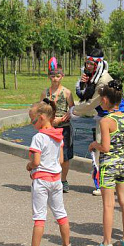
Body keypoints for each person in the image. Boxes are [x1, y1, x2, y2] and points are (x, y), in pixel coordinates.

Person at [18, 99, 74, 246]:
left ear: (42, 118)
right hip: (56, 180)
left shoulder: (38, 137)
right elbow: (61, 159)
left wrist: (29, 166)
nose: (31, 123)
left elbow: (36, 161)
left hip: (41, 181)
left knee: (39, 216)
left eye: (33, 119)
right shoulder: (59, 135)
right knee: (61, 213)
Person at [88, 81, 124, 246]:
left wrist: (95, 144)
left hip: (108, 165)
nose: (101, 100)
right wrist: (120, 146)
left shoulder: (106, 121)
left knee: (108, 205)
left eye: (102, 98)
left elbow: (106, 147)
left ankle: (107, 243)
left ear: (107, 99)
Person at [73, 48, 122, 197]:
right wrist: (82, 85)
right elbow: (85, 96)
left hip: (108, 118)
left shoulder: (103, 80)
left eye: (91, 63)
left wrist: (73, 111)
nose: (88, 66)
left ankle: (104, 184)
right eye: (86, 63)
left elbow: (92, 103)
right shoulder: (94, 77)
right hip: (104, 117)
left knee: (101, 150)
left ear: (99, 64)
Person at [41, 61, 74, 192]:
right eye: (53, 76)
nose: (55, 78)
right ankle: (47, 178)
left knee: (64, 156)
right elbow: (42, 108)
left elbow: (71, 109)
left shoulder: (67, 92)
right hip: (49, 128)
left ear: (62, 76)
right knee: (47, 154)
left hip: (63, 128)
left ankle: (63, 180)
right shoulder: (45, 93)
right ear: (49, 76)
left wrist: (62, 119)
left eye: (58, 76)